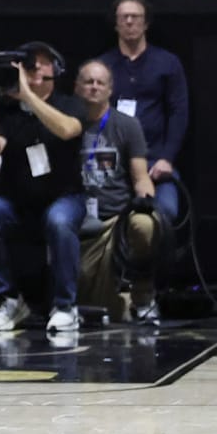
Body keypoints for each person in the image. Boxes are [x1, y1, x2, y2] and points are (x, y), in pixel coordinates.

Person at [0, 44, 89, 336]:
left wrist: (29, 97)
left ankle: (65, 307)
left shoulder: (68, 103)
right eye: (27, 65)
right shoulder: (10, 111)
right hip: (18, 200)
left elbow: (68, 130)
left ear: (53, 72)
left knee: (59, 222)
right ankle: (8, 299)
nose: (30, 70)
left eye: (37, 65)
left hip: (65, 197)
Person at [72, 61, 162, 323]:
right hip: (79, 217)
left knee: (145, 225)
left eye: (100, 82)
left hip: (117, 217)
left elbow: (141, 176)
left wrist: (146, 201)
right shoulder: (66, 123)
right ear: (77, 87)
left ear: (110, 89)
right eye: (88, 81)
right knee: (99, 305)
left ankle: (143, 297)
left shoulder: (127, 125)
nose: (94, 87)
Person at [95, 0, 188, 225]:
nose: (129, 22)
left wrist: (167, 158)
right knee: (106, 216)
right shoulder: (102, 65)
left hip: (155, 163)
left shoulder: (167, 62)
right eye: (123, 17)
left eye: (135, 17)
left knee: (166, 211)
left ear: (145, 23)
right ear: (115, 24)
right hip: (115, 165)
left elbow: (179, 111)